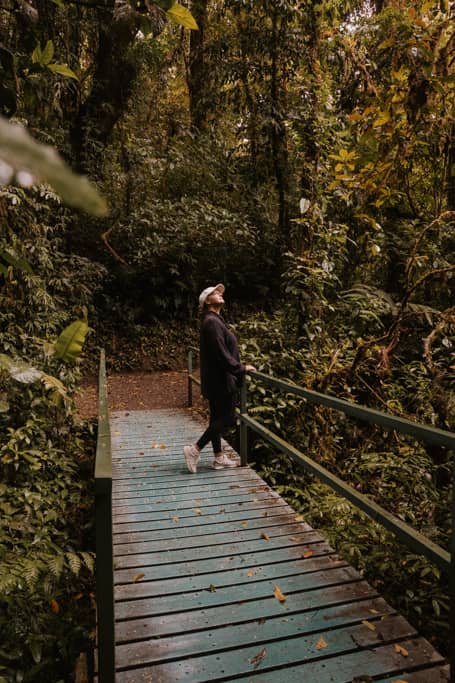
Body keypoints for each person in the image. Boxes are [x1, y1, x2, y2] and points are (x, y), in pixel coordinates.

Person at [184, 283, 256, 473]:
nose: (219, 294)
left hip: (217, 378)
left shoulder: (214, 320)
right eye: (215, 293)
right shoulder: (212, 322)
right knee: (226, 417)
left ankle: (219, 458)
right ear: (207, 301)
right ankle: (194, 449)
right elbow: (221, 354)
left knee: (216, 417)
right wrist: (240, 368)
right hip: (221, 379)